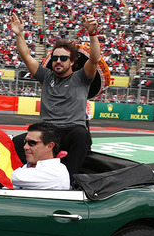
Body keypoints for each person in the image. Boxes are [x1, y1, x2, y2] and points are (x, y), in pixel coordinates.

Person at [9, 12, 101, 177]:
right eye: (55, 58)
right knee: (16, 142)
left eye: (63, 58)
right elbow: (26, 56)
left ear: (72, 61)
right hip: (48, 131)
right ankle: (34, 175)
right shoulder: (46, 76)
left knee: (81, 135)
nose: (58, 61)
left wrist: (92, 34)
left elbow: (94, 59)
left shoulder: (81, 78)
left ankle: (69, 180)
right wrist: (19, 34)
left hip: (72, 131)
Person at [11, 122, 71, 190]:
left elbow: (10, 176)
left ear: (49, 146)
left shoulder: (56, 172)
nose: (25, 147)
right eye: (25, 142)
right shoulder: (28, 166)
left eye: (32, 143)